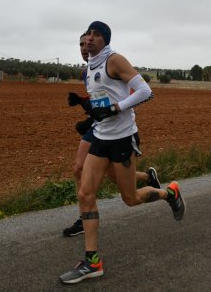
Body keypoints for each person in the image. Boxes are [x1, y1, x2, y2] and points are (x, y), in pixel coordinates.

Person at [59, 21, 185, 284]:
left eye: (96, 35)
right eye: (87, 35)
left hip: (122, 139)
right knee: (85, 192)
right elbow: (101, 98)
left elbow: (145, 91)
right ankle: (92, 262)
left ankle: (169, 192)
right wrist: (88, 109)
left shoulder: (114, 60)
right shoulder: (90, 67)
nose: (90, 39)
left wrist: (117, 109)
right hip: (101, 138)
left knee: (130, 198)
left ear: (105, 40)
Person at [62, 32, 161, 237]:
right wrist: (83, 104)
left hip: (114, 128)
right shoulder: (87, 71)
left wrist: (105, 111)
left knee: (115, 179)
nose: (83, 46)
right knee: (79, 169)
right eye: (80, 44)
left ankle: (147, 180)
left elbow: (122, 97)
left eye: (86, 42)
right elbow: (98, 101)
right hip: (99, 126)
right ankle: (85, 214)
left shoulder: (111, 62)